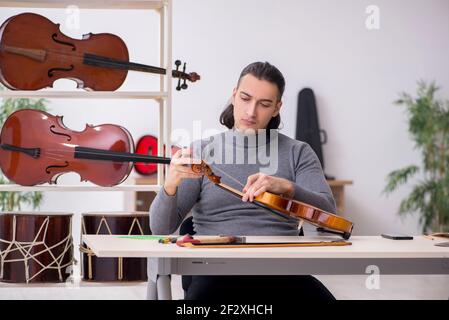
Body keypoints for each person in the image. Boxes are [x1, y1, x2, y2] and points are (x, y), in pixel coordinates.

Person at [149, 61, 336, 300]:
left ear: (277, 108)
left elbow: (329, 216)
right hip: (216, 272)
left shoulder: (298, 152)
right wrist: (170, 184)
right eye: (246, 98)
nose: (251, 111)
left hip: (281, 272)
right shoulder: (202, 151)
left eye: (264, 104)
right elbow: (160, 228)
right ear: (234, 95)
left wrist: (288, 188)